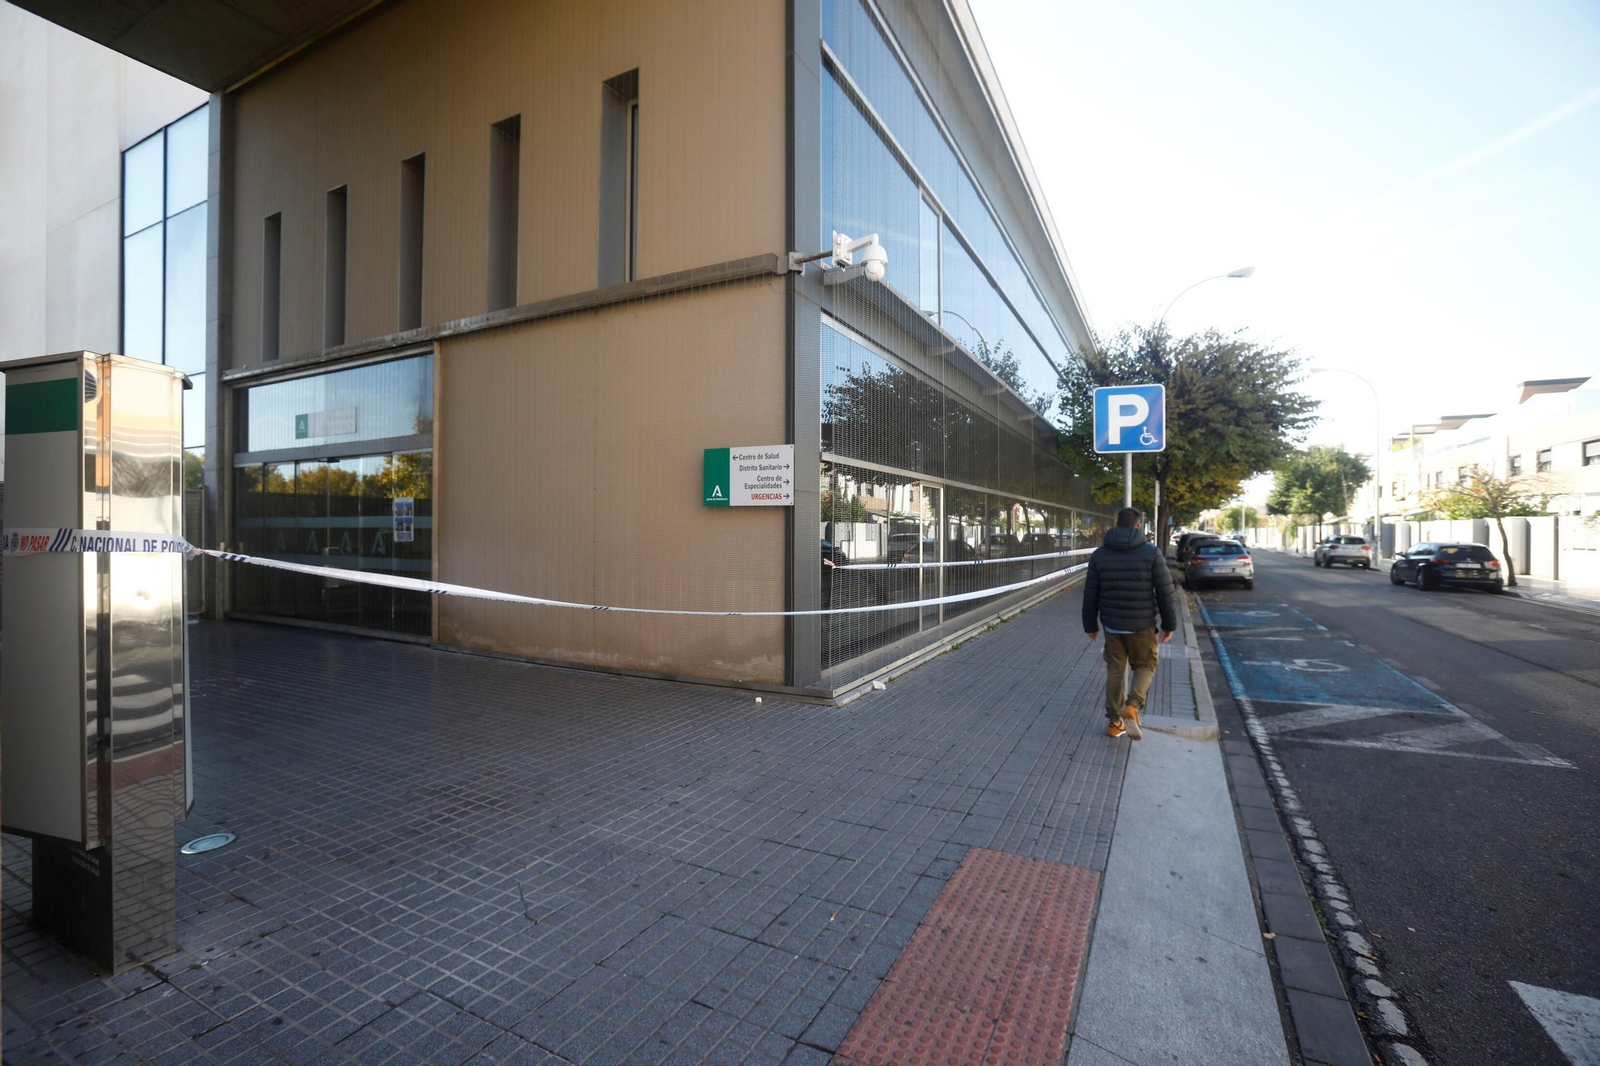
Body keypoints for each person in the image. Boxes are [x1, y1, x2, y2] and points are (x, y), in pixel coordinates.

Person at [1083, 507, 1177, 739]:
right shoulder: (1151, 553)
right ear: (1138, 526)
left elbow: (1090, 594)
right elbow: (1166, 592)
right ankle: (1133, 706)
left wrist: (1090, 626)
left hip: (1112, 625)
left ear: (1116, 525)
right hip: (1142, 625)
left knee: (1116, 669)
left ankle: (1114, 723)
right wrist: (1169, 624)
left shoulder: (1100, 554)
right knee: (1145, 665)